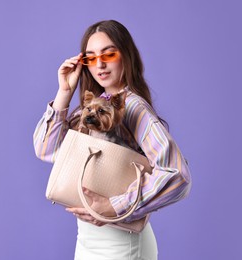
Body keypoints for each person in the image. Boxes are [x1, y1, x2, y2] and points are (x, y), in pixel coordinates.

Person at [33, 20, 191, 260]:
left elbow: (177, 175)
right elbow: (47, 151)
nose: (100, 64)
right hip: (87, 240)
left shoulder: (133, 107)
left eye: (109, 54)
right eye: (91, 57)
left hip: (121, 244)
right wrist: (64, 93)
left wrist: (115, 206)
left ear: (126, 55)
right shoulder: (92, 106)